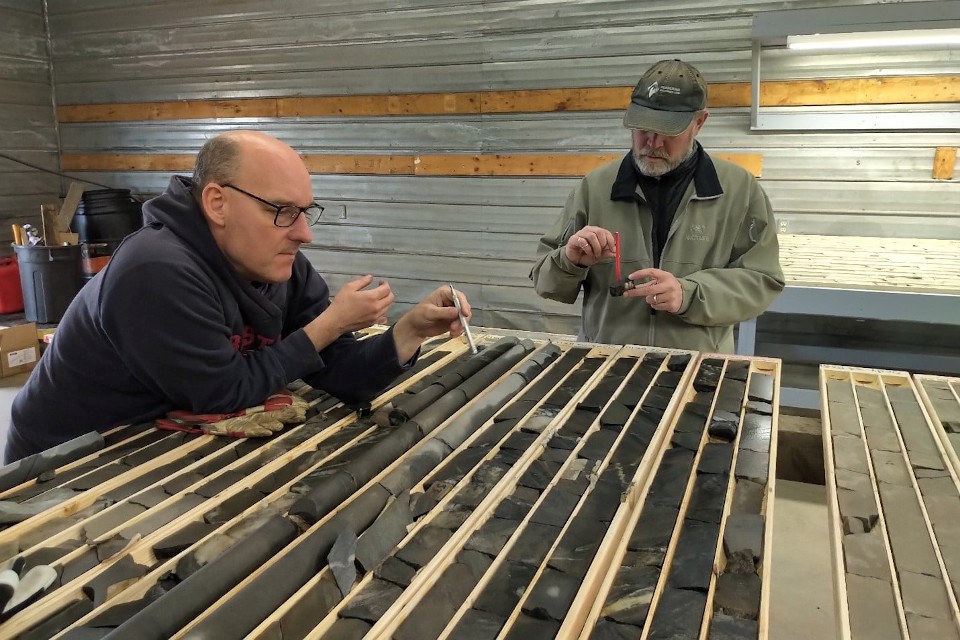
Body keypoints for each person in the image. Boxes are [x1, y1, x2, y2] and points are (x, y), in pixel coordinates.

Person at [5, 130, 472, 463]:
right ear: (217, 203)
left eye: (306, 212)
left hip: (150, 439)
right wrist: (328, 324)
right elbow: (222, 392)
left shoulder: (276, 262)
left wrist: (409, 331)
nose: (305, 233)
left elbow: (340, 374)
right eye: (284, 211)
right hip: (66, 459)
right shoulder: (156, 269)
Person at [531, 59, 784, 353]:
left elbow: (762, 281)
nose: (653, 142)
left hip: (696, 372)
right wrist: (571, 260)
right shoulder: (596, 187)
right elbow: (545, 281)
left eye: (668, 130)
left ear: (699, 122)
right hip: (605, 366)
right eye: (643, 128)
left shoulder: (739, 191)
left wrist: (690, 294)